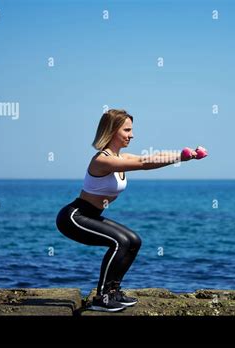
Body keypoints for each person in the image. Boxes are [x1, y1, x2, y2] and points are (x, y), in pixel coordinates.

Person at [56, 109, 203, 312]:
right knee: (120, 242)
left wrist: (185, 155)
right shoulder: (102, 160)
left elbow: (154, 156)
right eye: (127, 130)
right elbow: (144, 163)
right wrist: (179, 158)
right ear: (112, 130)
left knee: (133, 241)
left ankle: (113, 291)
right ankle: (103, 297)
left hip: (90, 215)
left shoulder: (120, 157)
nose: (131, 135)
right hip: (74, 217)